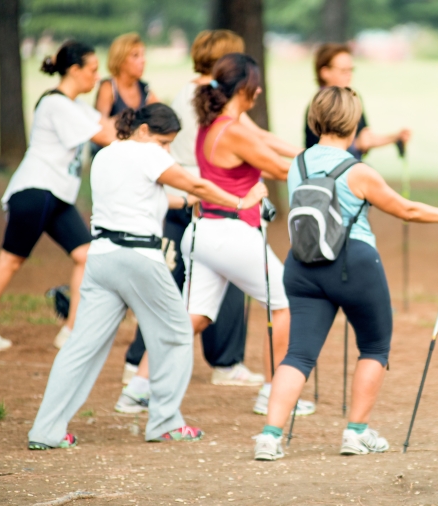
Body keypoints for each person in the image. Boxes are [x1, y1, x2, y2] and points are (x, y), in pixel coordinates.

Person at [252, 86, 438, 461]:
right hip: (353, 264)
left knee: (298, 354)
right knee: (374, 347)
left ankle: (270, 436)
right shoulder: (358, 171)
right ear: (354, 122)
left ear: (314, 120)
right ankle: (355, 433)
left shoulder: (297, 165)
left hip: (302, 266)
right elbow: (406, 210)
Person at [28, 103, 267, 449]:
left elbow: (145, 195)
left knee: (81, 347)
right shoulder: (147, 152)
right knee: (177, 333)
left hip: (101, 258)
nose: (166, 151)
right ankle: (165, 422)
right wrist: (242, 201)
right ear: (143, 131)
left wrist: (184, 200)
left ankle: (45, 430)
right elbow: (196, 183)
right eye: (164, 142)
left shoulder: (105, 155)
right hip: (138, 257)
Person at [118, 30, 302, 412]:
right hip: (232, 234)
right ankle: (275, 394)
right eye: (255, 85)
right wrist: (331, 166)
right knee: (284, 304)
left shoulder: (212, 124)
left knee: (193, 319)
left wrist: (313, 154)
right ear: (243, 89)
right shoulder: (233, 131)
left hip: (203, 233)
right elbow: (281, 170)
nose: (260, 91)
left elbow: (268, 144)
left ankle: (137, 388)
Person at [0, 41, 116, 352]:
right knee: (11, 260)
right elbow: (105, 135)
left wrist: (142, 114)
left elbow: (110, 125)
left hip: (57, 196)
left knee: (86, 256)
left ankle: (71, 331)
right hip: (35, 191)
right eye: (92, 70)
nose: (96, 77)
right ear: (74, 70)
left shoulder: (76, 107)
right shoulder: (55, 104)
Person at [305, 43, 411, 158]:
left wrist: (395, 138)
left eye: (351, 70)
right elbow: (319, 154)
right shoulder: (319, 105)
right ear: (325, 72)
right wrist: (355, 146)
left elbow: (364, 138)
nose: (349, 75)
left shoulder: (354, 98)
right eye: (343, 70)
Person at [91, 33, 158, 157]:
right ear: (120, 60)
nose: (143, 60)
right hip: (113, 154)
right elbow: (100, 127)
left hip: (138, 153)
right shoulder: (108, 87)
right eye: (135, 55)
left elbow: (162, 116)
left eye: (143, 55)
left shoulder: (144, 89)